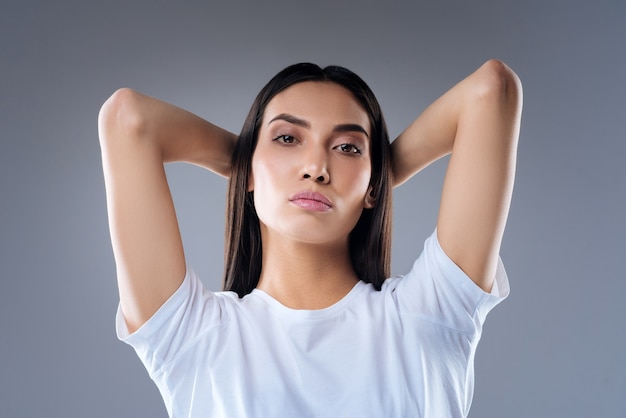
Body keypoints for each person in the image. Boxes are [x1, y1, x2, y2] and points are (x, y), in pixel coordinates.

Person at [99, 60, 522, 417]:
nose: (316, 166)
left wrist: (375, 180)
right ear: (250, 169)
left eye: (347, 148)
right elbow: (128, 119)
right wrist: (248, 166)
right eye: (287, 139)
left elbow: (492, 89)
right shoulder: (194, 335)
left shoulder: (428, 317)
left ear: (372, 184)